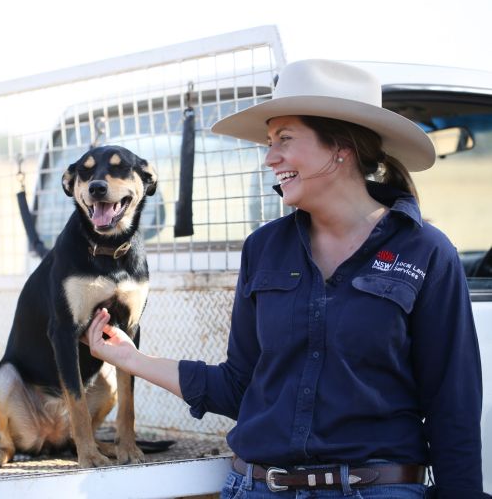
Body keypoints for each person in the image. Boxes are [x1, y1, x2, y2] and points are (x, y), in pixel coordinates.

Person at [85, 59, 488, 498]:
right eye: (269, 141)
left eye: (284, 140)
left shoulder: (426, 251)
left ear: (342, 148)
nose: (269, 157)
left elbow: (453, 408)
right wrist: (131, 359)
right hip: (258, 488)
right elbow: (240, 387)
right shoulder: (263, 249)